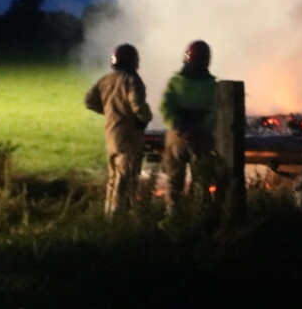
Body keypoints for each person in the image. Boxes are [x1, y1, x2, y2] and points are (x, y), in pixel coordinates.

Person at [85, 43, 153, 216]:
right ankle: (119, 217)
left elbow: (89, 100)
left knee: (113, 177)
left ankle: (109, 213)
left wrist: (109, 112)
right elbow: (137, 105)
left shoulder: (106, 79)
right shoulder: (132, 80)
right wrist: (144, 119)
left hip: (111, 134)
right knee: (126, 178)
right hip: (129, 136)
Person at [159, 40, 221, 213]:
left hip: (177, 138)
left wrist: (180, 127)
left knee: (174, 181)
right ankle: (200, 216)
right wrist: (200, 128)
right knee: (201, 180)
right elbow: (216, 114)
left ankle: (173, 217)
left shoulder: (175, 82)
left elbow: (165, 108)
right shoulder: (213, 86)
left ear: (186, 58)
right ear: (208, 60)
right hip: (201, 138)